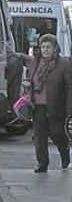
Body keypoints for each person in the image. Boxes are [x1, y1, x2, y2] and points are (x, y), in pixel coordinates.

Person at [24, 34, 71, 172]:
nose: (45, 50)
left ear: (55, 48)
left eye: (48, 47)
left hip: (56, 105)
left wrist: (69, 110)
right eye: (43, 47)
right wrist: (28, 84)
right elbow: (31, 78)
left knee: (56, 133)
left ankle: (64, 151)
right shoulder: (36, 62)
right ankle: (42, 163)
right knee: (39, 136)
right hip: (37, 105)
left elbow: (69, 87)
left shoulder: (64, 64)